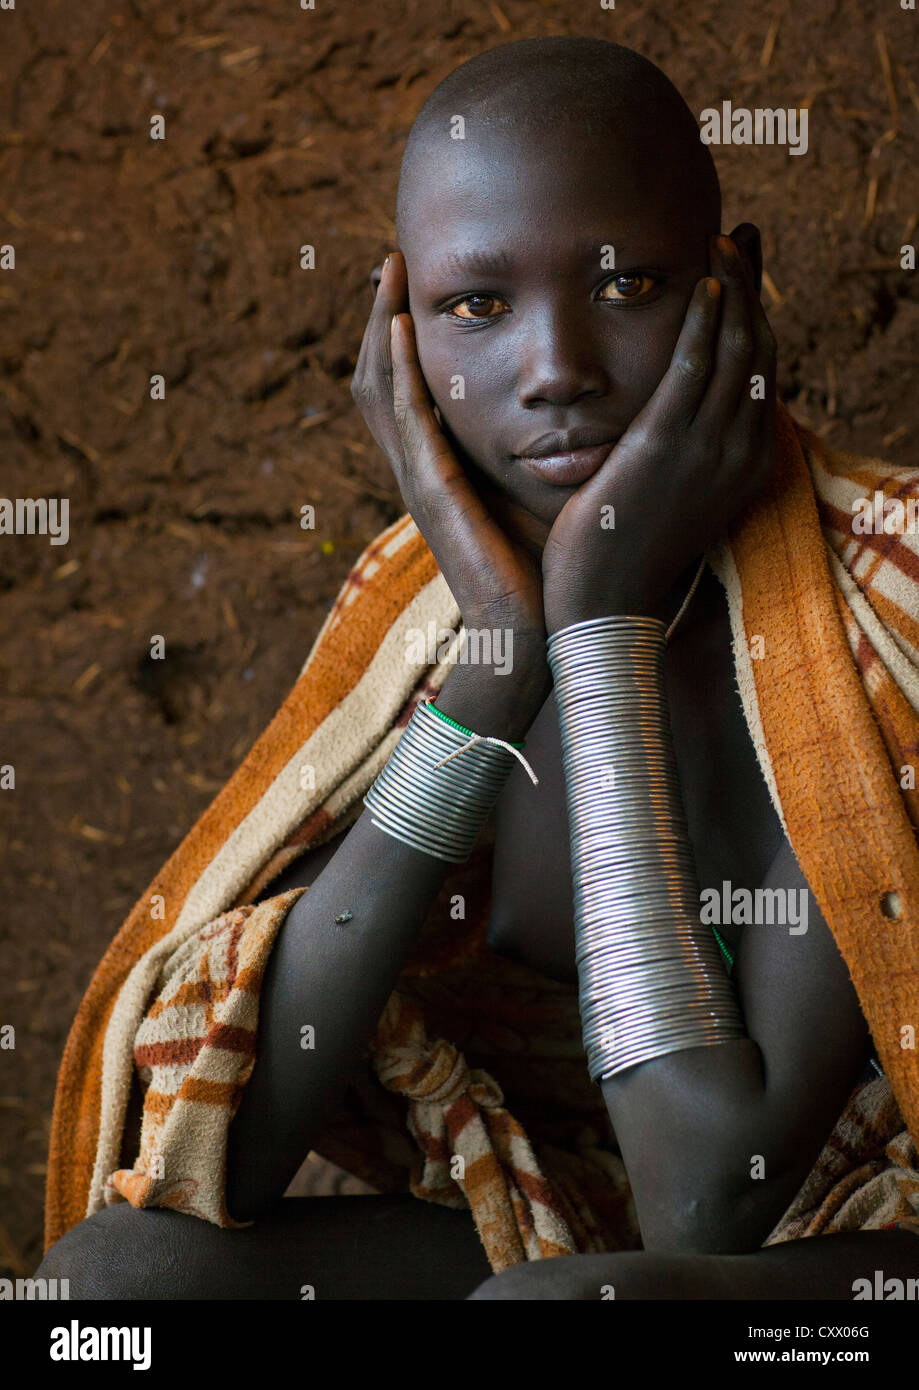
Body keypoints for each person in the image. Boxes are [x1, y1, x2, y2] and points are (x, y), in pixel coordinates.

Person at [38, 36, 919, 1299]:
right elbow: (217, 1160)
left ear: (737, 286)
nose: (555, 368)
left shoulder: (882, 600)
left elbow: (704, 1204)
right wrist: (501, 662)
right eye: (475, 307)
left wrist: (599, 633)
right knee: (106, 1289)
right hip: (565, 1226)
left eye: (627, 286)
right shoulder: (417, 616)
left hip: (843, 1270)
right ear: (398, 339)